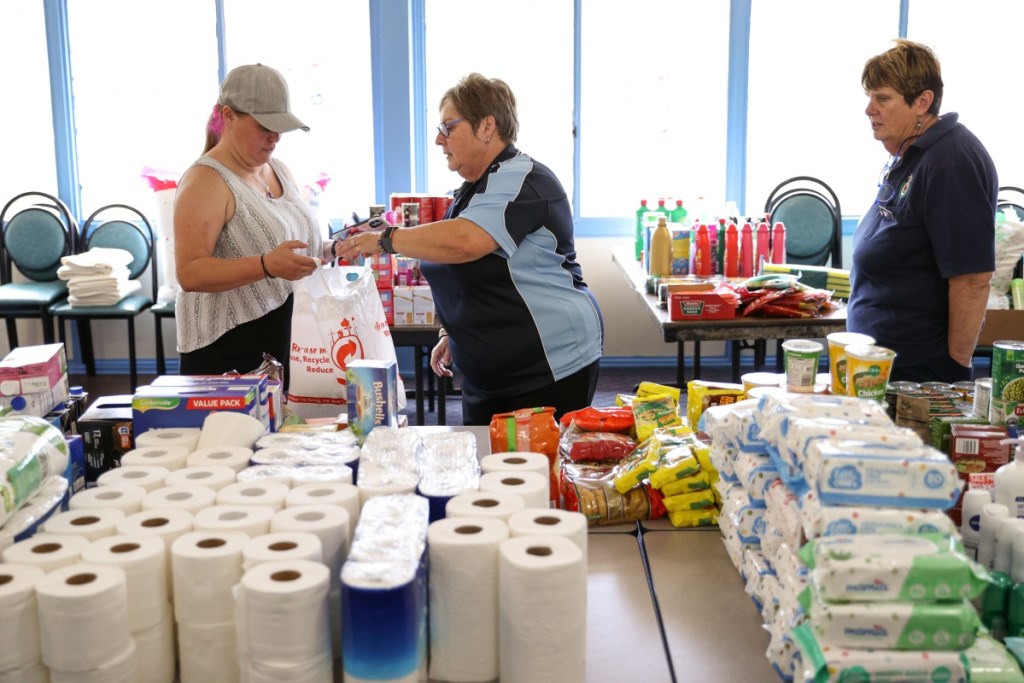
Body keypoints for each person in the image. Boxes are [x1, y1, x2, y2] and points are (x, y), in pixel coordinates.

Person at [337, 73, 604, 426]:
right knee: (488, 467)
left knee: (537, 473)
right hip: (489, 371)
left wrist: (388, 238)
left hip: (548, 365)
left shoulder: (524, 179)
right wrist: (452, 331)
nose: (438, 139)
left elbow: (466, 243)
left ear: (487, 127)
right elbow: (458, 267)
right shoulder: (473, 190)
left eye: (448, 127)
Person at [174, 63, 337, 389]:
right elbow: (190, 273)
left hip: (281, 338)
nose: (275, 137)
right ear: (229, 116)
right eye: (265, 125)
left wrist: (333, 249)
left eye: (281, 126)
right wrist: (266, 266)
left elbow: (288, 246)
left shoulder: (277, 168)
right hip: (227, 349)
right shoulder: (206, 180)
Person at [847, 39, 996, 383]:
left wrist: (953, 372)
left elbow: (973, 281)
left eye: (882, 98)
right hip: (882, 365)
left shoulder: (951, 160)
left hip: (920, 373)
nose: (869, 109)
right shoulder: (912, 153)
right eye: (870, 97)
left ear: (922, 102)